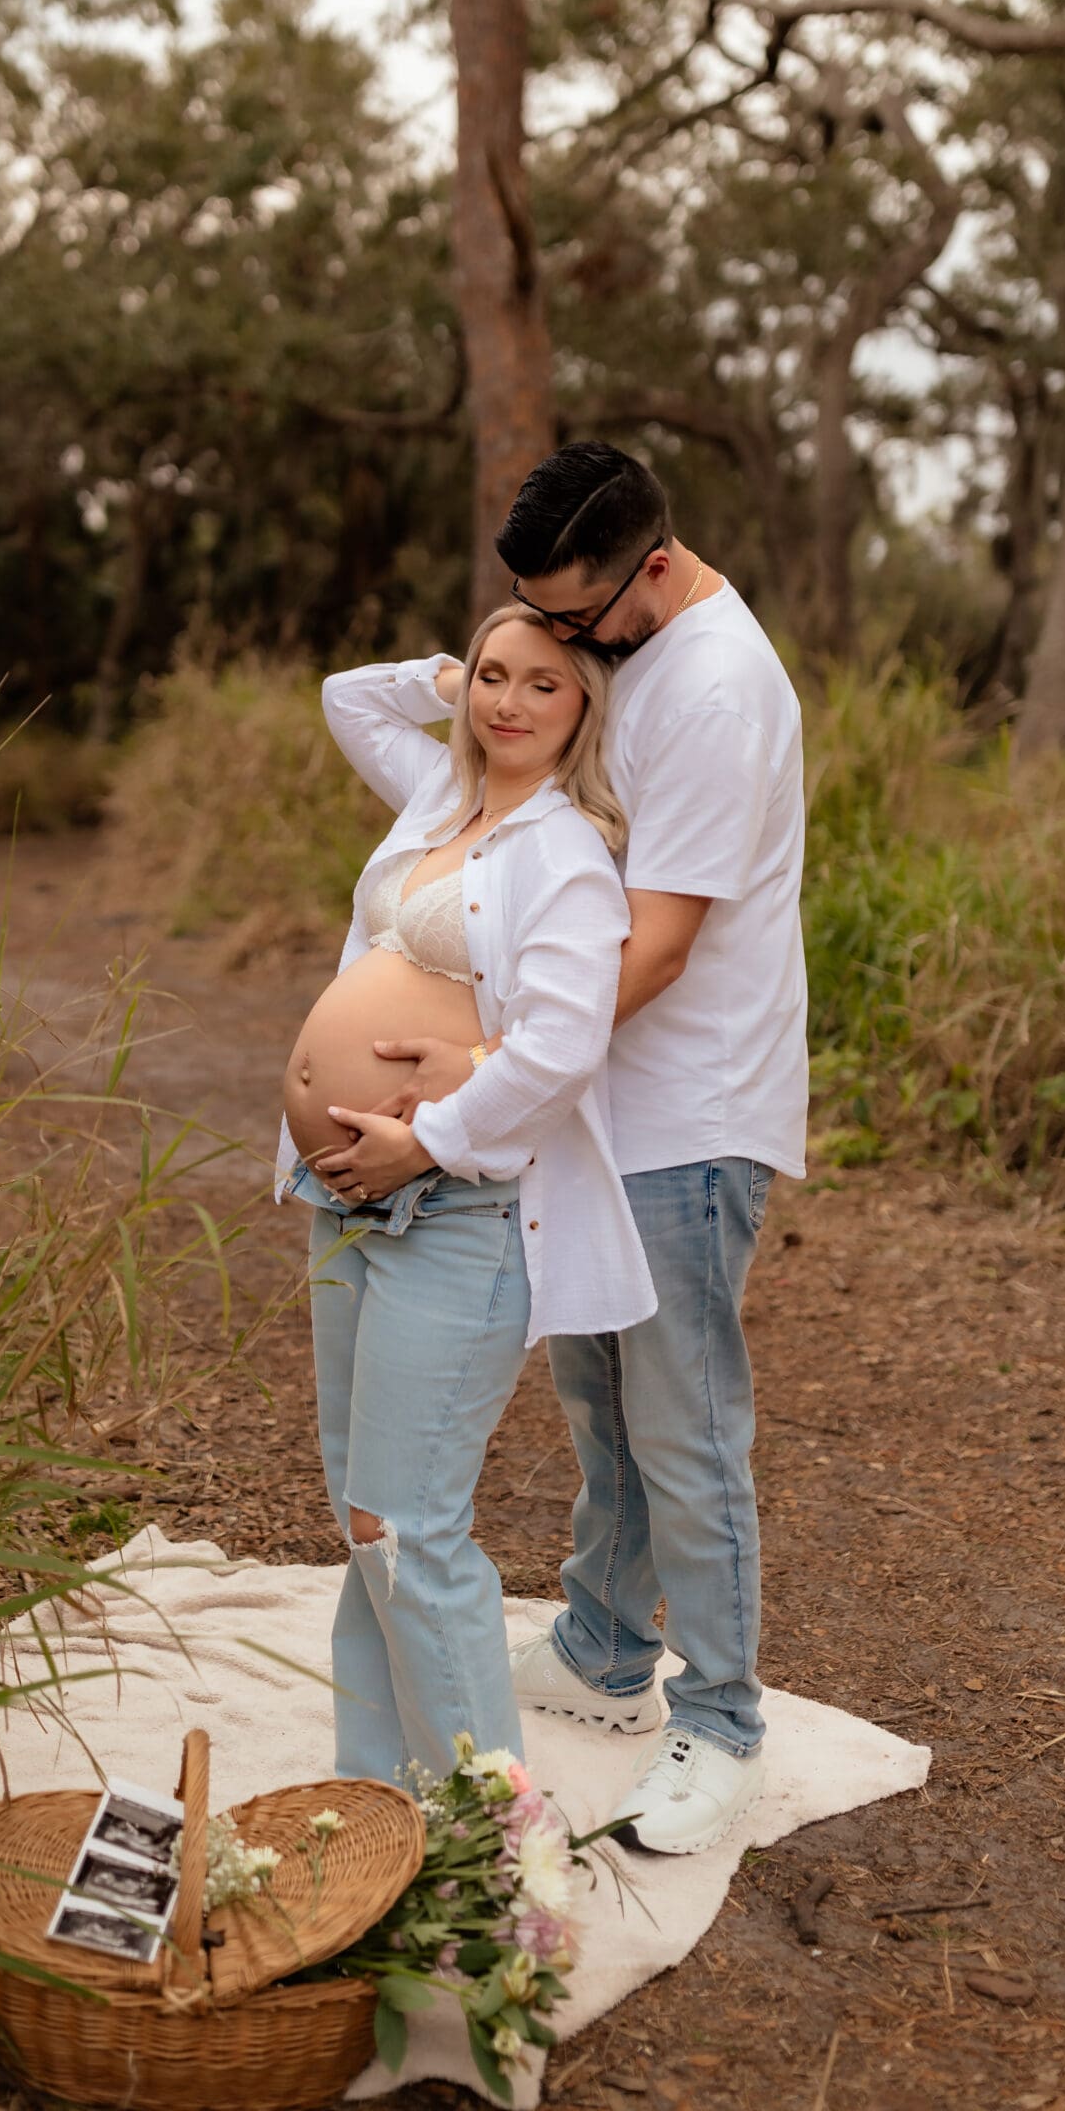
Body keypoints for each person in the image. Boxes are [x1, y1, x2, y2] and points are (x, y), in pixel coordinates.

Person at [373, 444, 808, 1855]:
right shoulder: (625, 648)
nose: (558, 641)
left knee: (683, 1425)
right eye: (533, 615)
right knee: (596, 1398)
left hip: (685, 1108)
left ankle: (724, 1725)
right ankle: (606, 1651)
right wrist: (475, 682)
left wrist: (499, 1066)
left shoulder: (720, 689)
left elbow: (662, 944)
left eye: (575, 618)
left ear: (654, 568)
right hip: (595, 1105)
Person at [279, 604, 656, 1784]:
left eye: (543, 684)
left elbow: (561, 1048)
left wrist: (426, 1139)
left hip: (451, 1216)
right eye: (494, 679)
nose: (507, 703)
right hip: (346, 1206)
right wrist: (450, 673)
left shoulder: (568, 852)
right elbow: (348, 693)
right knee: (366, 1526)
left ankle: (487, 1855)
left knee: (411, 1530)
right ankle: (379, 1808)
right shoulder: (441, 804)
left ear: (587, 704)